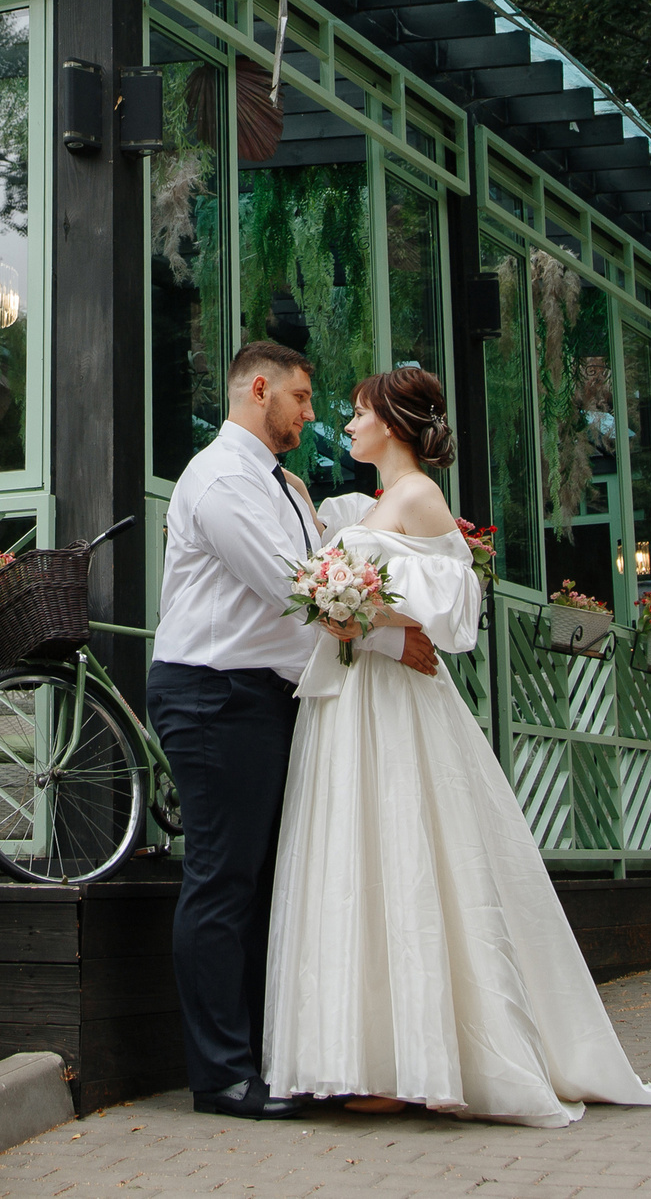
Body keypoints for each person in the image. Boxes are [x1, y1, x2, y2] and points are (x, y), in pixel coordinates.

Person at [264, 366, 651, 1127]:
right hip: (351, 701)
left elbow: (455, 611)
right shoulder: (368, 504)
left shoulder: (420, 497)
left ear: (394, 423)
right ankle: (362, 1052)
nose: (351, 422)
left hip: (397, 705)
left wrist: (366, 621)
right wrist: (346, 617)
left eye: (360, 412)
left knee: (405, 858)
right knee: (352, 861)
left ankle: (419, 1058)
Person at [147, 340, 439, 1120]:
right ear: (262, 388)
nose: (312, 415)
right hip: (214, 695)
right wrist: (390, 638)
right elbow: (293, 589)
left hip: (261, 696)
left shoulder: (278, 482)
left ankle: (262, 1061)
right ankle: (222, 1077)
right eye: (304, 399)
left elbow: (323, 560)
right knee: (221, 880)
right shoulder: (220, 480)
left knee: (258, 882)